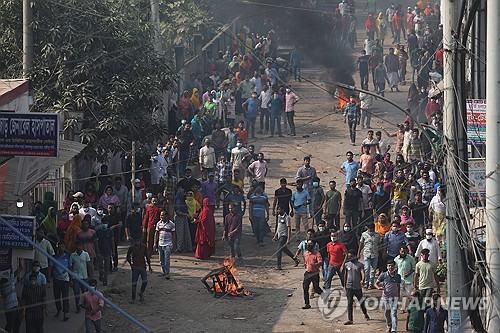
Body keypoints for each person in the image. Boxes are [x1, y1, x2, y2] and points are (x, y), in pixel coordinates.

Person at [343, 249, 370, 325]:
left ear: (355, 256)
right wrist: (344, 285)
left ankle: (365, 313)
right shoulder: (347, 264)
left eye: (351, 256)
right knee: (349, 303)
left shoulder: (360, 265)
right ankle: (350, 319)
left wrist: (363, 280)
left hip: (357, 287)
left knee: (361, 302)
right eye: (349, 256)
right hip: (349, 287)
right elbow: (345, 275)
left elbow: (362, 273)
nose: (350, 258)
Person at [376, 260, 401, 333]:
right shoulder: (383, 275)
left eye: (392, 266)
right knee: (387, 313)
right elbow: (376, 283)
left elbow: (398, 286)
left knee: (394, 313)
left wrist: (398, 295)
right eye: (389, 266)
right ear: (387, 267)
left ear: (394, 266)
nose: (390, 267)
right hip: (386, 297)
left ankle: (394, 329)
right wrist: (378, 288)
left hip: (394, 298)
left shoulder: (398, 276)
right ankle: (389, 326)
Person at [273, 205, 300, 270]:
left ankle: (278, 266)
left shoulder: (287, 217)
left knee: (278, 250)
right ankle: (296, 259)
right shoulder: (279, 216)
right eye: (278, 210)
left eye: (280, 209)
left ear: (283, 210)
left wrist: (288, 238)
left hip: (284, 236)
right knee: (285, 250)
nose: (278, 211)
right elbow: (278, 227)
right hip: (280, 235)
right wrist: (275, 235)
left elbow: (289, 228)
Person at [126, 238, 152, 303]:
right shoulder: (131, 248)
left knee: (145, 281)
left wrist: (149, 266)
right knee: (134, 283)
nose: (137, 242)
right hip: (135, 266)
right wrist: (131, 264)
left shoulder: (144, 247)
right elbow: (128, 257)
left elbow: (147, 256)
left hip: (142, 266)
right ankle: (133, 298)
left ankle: (141, 292)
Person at [301, 239, 323, 309]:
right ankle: (307, 304)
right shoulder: (305, 253)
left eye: (310, 244)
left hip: (315, 273)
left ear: (313, 245)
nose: (308, 245)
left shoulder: (317, 254)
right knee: (305, 288)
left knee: (316, 288)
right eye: (308, 244)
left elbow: (321, 262)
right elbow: (305, 262)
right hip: (307, 273)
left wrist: (315, 264)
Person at [70, 242, 92, 314]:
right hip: (75, 277)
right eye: (77, 245)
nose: (78, 247)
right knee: (76, 294)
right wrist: (70, 278)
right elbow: (71, 267)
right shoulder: (73, 255)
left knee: (85, 293)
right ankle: (78, 307)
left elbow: (89, 265)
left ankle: (86, 306)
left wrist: (90, 276)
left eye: (79, 245)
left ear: (82, 246)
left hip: (84, 276)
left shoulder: (86, 254)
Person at [52, 243, 71, 321]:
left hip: (65, 280)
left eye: (62, 247)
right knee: (57, 297)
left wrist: (71, 279)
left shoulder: (68, 257)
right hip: (56, 279)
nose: (61, 249)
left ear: (64, 248)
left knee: (65, 297)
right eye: (59, 247)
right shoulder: (54, 257)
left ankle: (65, 312)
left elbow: (70, 268)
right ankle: (59, 309)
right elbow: (51, 267)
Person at [0, 266, 23, 333]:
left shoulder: (7, 282)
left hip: (13, 305)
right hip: (10, 307)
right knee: (11, 324)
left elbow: (19, 270)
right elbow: (19, 270)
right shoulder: (8, 283)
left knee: (16, 322)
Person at [358, 222, 380, 289]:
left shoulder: (377, 235)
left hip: (375, 254)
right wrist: (358, 253)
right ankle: (366, 282)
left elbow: (379, 243)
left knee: (373, 270)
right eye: (370, 229)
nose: (371, 230)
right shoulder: (364, 234)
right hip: (367, 254)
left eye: (372, 229)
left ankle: (371, 283)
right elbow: (361, 244)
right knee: (367, 269)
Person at [394, 246, 416, 312]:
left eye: (404, 252)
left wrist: (409, 273)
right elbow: (395, 268)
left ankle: (408, 308)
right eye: (402, 251)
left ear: (406, 252)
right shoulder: (396, 259)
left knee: (409, 295)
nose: (403, 253)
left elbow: (414, 268)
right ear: (399, 251)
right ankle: (402, 308)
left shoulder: (410, 258)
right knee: (400, 295)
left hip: (408, 280)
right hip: (400, 280)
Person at [96, 221, 114, 286]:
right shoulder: (98, 232)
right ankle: (101, 274)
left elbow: (112, 242)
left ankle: (105, 279)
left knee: (107, 266)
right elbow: (96, 242)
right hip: (100, 251)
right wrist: (97, 252)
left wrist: (113, 251)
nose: (104, 224)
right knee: (100, 265)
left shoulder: (110, 231)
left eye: (106, 223)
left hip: (108, 251)